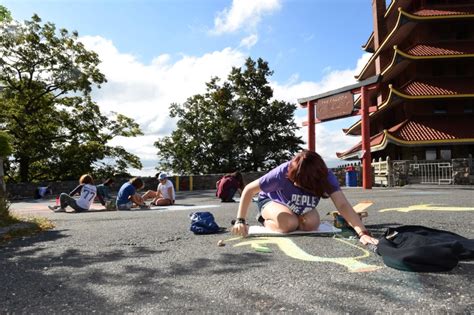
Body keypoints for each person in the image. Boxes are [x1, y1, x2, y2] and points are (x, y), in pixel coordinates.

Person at [231, 150, 379, 245]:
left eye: (299, 182)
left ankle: (291, 217)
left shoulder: (326, 177)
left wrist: (362, 233)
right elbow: (249, 190)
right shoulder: (283, 171)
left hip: (298, 207)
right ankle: (263, 219)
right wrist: (240, 220)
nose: (294, 183)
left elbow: (343, 205)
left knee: (311, 224)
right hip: (272, 200)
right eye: (293, 180)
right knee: (288, 224)